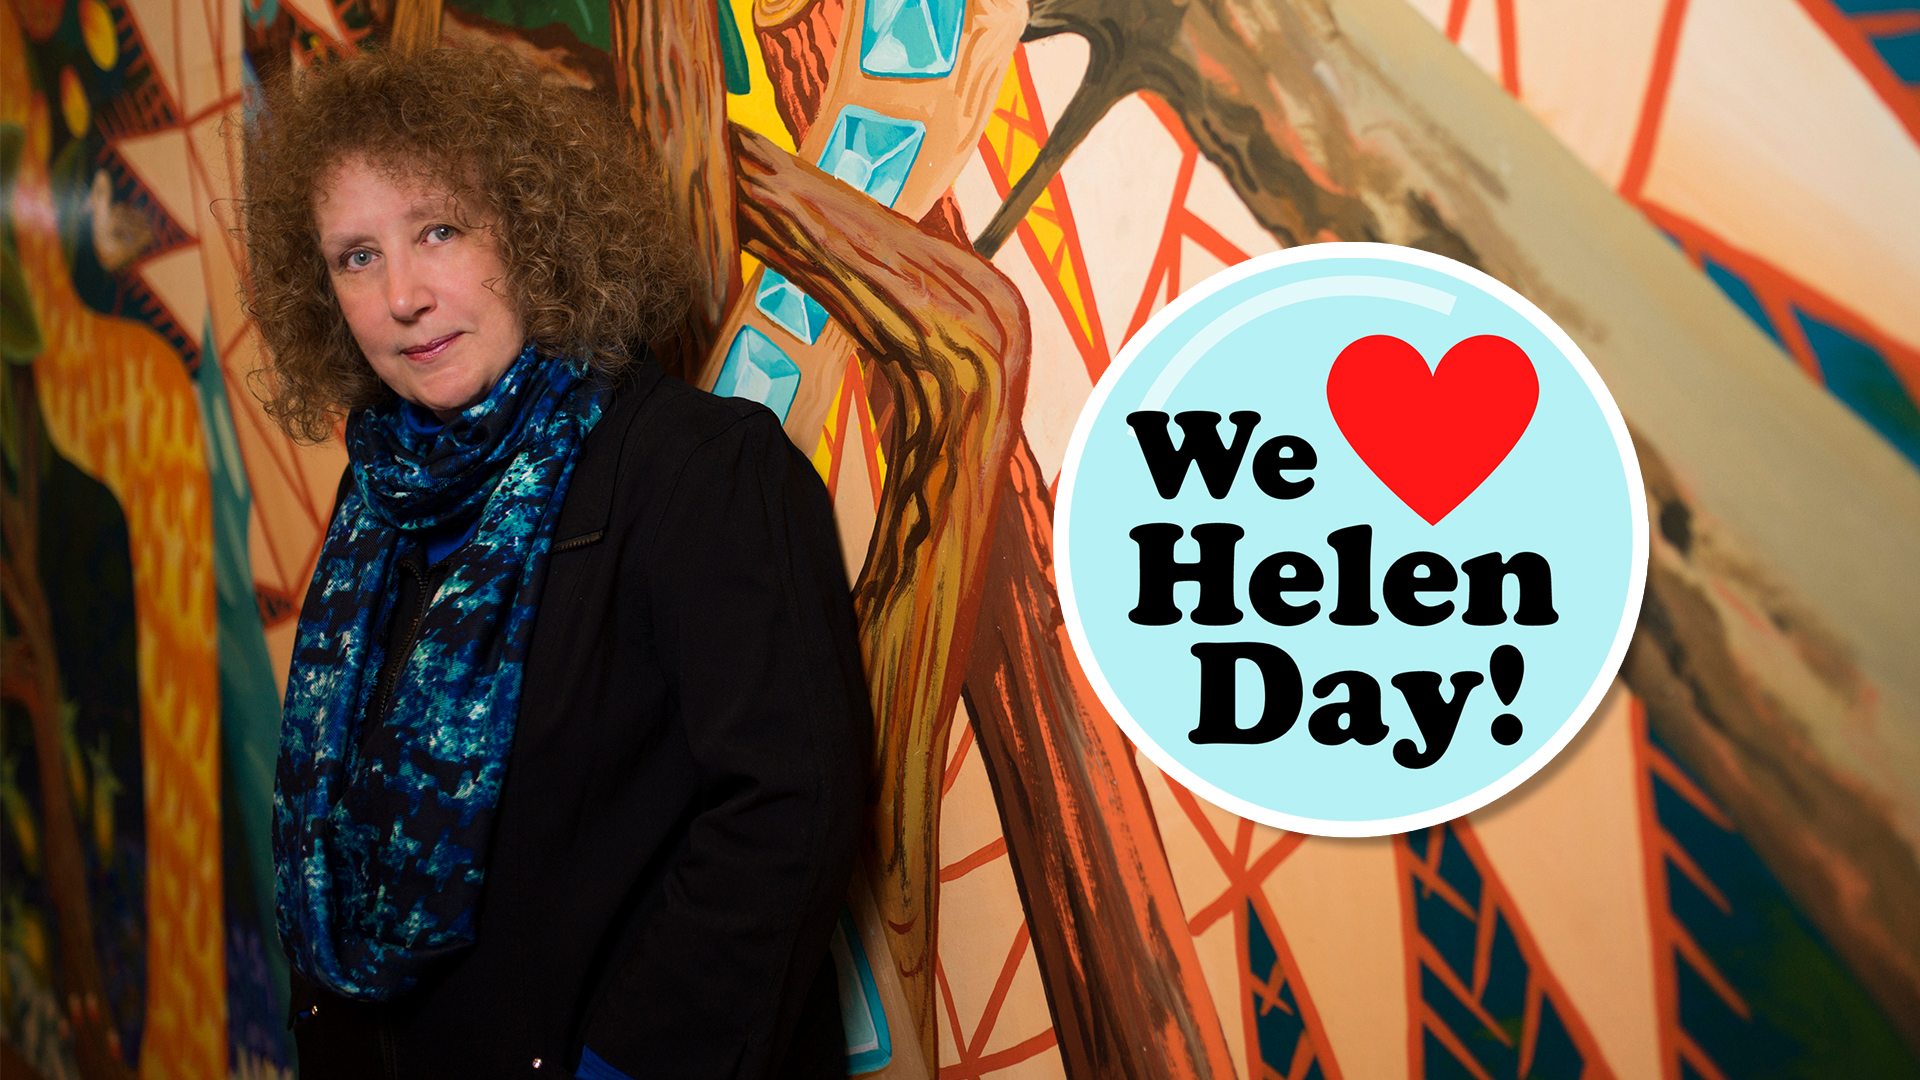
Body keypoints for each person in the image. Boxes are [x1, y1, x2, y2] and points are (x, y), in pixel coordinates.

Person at [242, 45, 871, 1079]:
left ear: (533, 231)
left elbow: (787, 810)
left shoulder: (698, 470)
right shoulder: (381, 499)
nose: (402, 296)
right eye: (356, 257)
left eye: (439, 230)